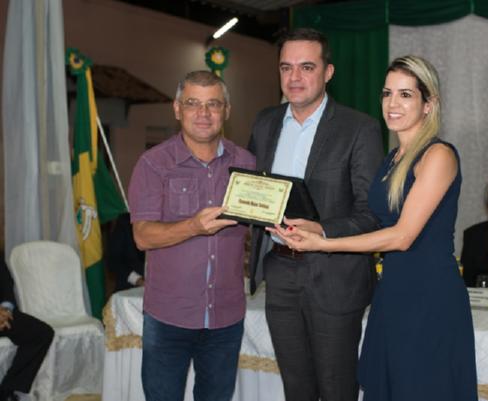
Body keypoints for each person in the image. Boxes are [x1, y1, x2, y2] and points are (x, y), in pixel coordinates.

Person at [271, 55, 478, 401]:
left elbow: (402, 236)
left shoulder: (438, 155)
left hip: (429, 295)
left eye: (406, 95)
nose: (392, 104)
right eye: (387, 93)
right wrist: (319, 228)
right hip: (393, 291)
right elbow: (374, 222)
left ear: (429, 104)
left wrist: (323, 245)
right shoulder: (392, 159)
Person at [247, 28, 383, 401]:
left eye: (307, 67)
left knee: (337, 389)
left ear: (328, 72)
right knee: (296, 389)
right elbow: (254, 190)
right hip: (279, 271)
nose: (294, 77)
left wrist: (321, 229)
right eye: (286, 67)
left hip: (335, 277)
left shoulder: (360, 128)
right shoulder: (265, 122)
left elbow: (372, 214)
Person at [128, 70, 255, 401]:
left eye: (213, 104)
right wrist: (193, 227)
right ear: (177, 109)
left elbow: (257, 226)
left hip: (226, 317)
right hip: (169, 317)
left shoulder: (246, 163)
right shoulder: (153, 164)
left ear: (226, 110)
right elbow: (143, 236)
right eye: (193, 103)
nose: (203, 113)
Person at [0, 256, 54, 401]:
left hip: (3, 315)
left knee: (42, 333)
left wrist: (5, 310)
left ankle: (7, 389)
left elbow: (6, 284)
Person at [107, 213, 145, 292]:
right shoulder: (125, 222)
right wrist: (137, 280)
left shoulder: (166, 222)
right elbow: (113, 260)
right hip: (130, 287)